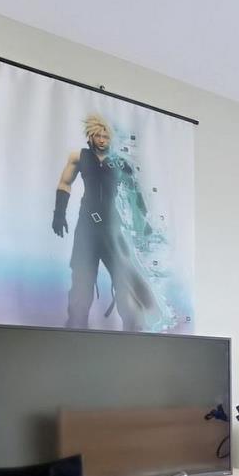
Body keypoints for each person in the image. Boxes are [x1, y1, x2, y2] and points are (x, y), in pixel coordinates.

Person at [52, 113, 157, 329]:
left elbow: (135, 194)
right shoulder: (78, 157)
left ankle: (137, 337)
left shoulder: (120, 163)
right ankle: (75, 335)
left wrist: (144, 223)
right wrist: (59, 213)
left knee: (125, 286)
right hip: (86, 229)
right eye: (97, 135)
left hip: (113, 229)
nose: (102, 140)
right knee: (81, 288)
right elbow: (65, 182)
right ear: (90, 137)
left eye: (105, 136)